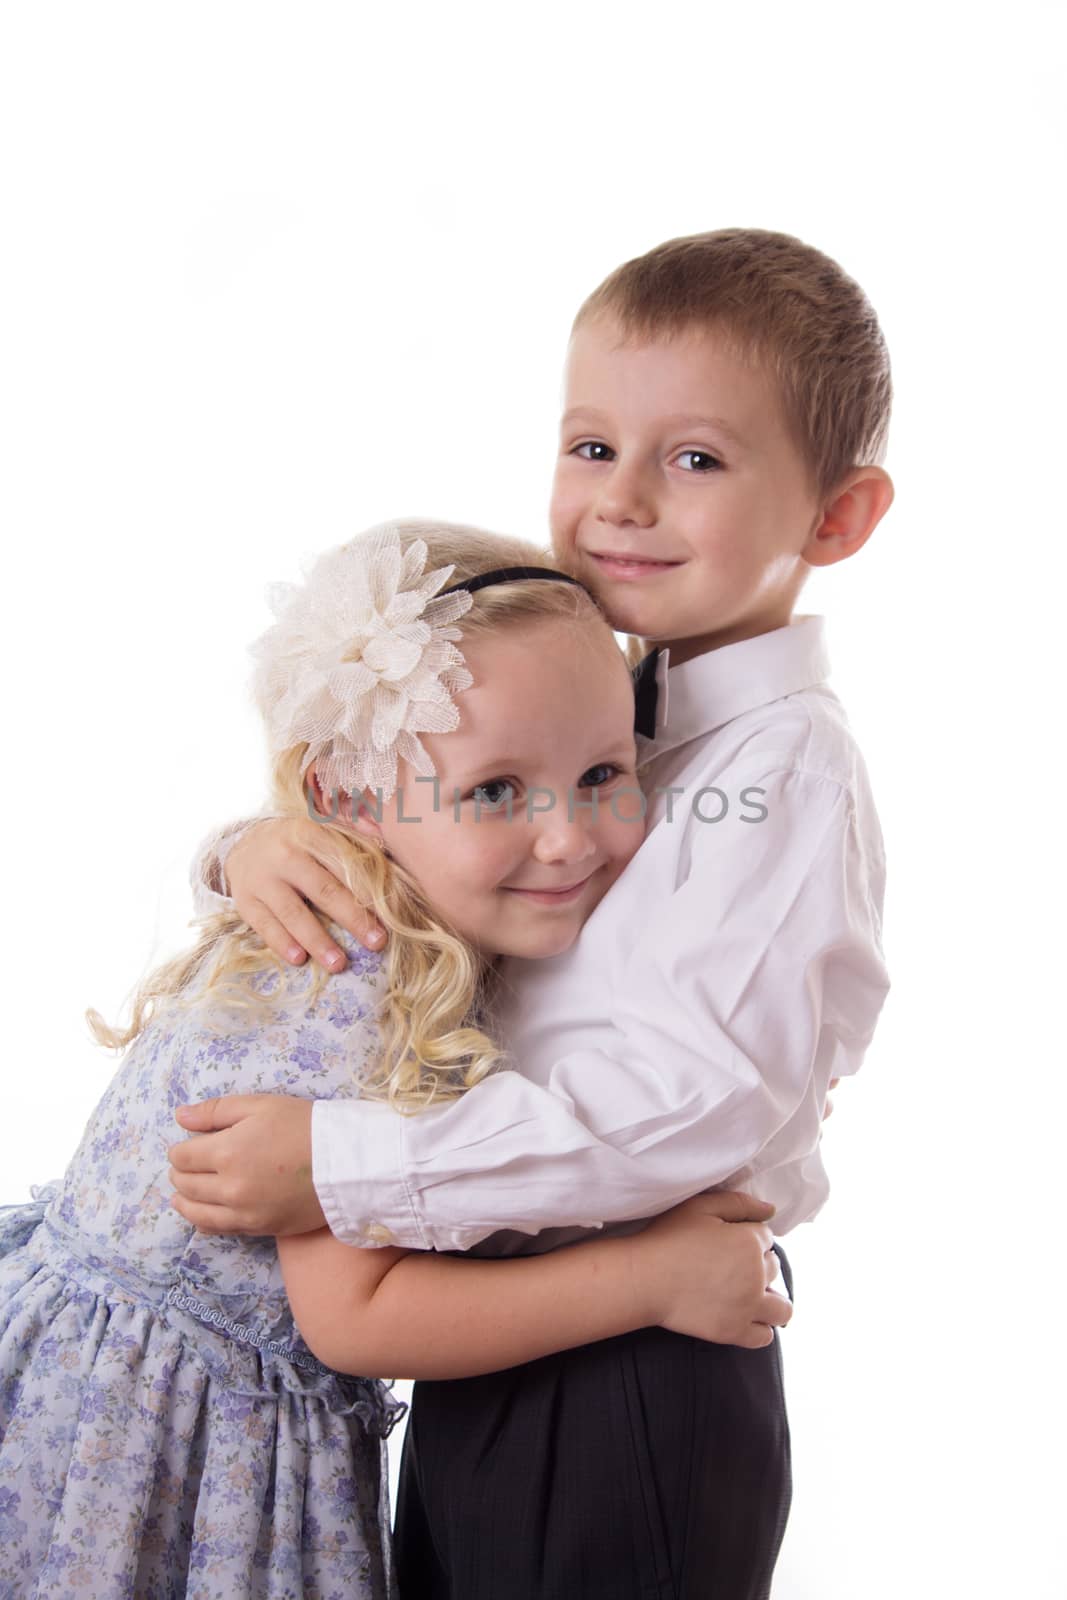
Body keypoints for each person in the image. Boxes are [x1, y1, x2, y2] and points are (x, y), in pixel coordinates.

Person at [170, 227, 895, 1598]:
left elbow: (677, 1100)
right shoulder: (601, 695)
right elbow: (422, 820)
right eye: (588, 447)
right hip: (492, 1322)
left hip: (639, 1346)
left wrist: (337, 1168)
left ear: (832, 518)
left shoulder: (779, 767)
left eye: (693, 459)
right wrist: (252, 845)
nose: (620, 501)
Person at [0, 520, 791, 1600]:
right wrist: (649, 1280)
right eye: (495, 792)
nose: (568, 837)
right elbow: (357, 1316)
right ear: (345, 801)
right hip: (154, 1442)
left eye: (602, 770)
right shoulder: (356, 980)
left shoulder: (385, 908)